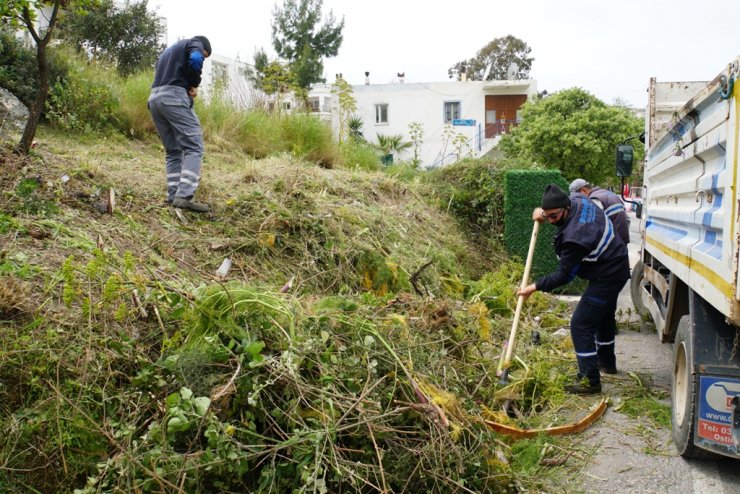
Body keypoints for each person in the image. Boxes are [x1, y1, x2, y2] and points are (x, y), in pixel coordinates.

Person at [517, 184, 631, 394]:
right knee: (603, 316)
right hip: (616, 261)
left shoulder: (575, 237)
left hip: (609, 274)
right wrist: (542, 213)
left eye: (554, 216)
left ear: (566, 209)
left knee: (581, 324)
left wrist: (533, 287)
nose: (550, 221)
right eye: (548, 216)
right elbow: (557, 206)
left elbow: (564, 276)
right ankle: (606, 362)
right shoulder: (579, 200)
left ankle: (590, 381)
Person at [148, 36, 212, 213]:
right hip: (173, 98)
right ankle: (184, 196)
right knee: (195, 146)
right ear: (204, 46)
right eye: (206, 55)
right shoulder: (194, 43)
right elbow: (196, 58)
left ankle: (173, 195)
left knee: (173, 150)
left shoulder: (169, 51)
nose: (203, 57)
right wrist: (193, 84)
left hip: (154, 99)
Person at [569, 178, 630, 245]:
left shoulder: (594, 199)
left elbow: (593, 224)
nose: (578, 199)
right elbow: (627, 218)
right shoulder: (606, 193)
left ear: (583, 190)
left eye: (578, 196)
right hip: (622, 237)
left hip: (613, 242)